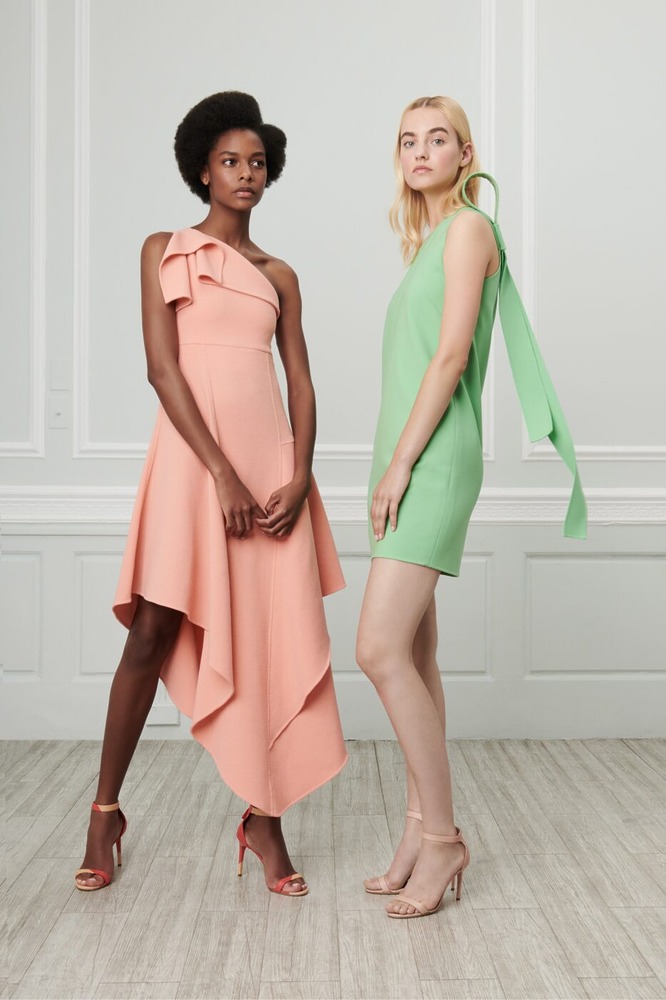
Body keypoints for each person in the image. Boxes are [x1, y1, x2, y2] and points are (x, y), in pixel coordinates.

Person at [75, 91, 347, 897]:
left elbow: (301, 382)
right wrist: (222, 471)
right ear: (202, 170)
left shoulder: (278, 274)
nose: (246, 173)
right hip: (196, 464)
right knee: (152, 629)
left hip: (272, 472)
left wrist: (299, 474)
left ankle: (265, 818)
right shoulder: (165, 249)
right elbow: (162, 370)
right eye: (230, 161)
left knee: (268, 636)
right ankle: (104, 813)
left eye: (257, 162)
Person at [356, 95, 586, 919]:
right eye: (407, 140)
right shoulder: (427, 244)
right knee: (415, 654)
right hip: (406, 455)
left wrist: (402, 465)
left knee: (377, 649)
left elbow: (452, 357)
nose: (420, 151)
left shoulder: (467, 230)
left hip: (432, 459)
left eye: (437, 139)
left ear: (466, 153)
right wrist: (389, 460)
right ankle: (418, 831)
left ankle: (447, 838)